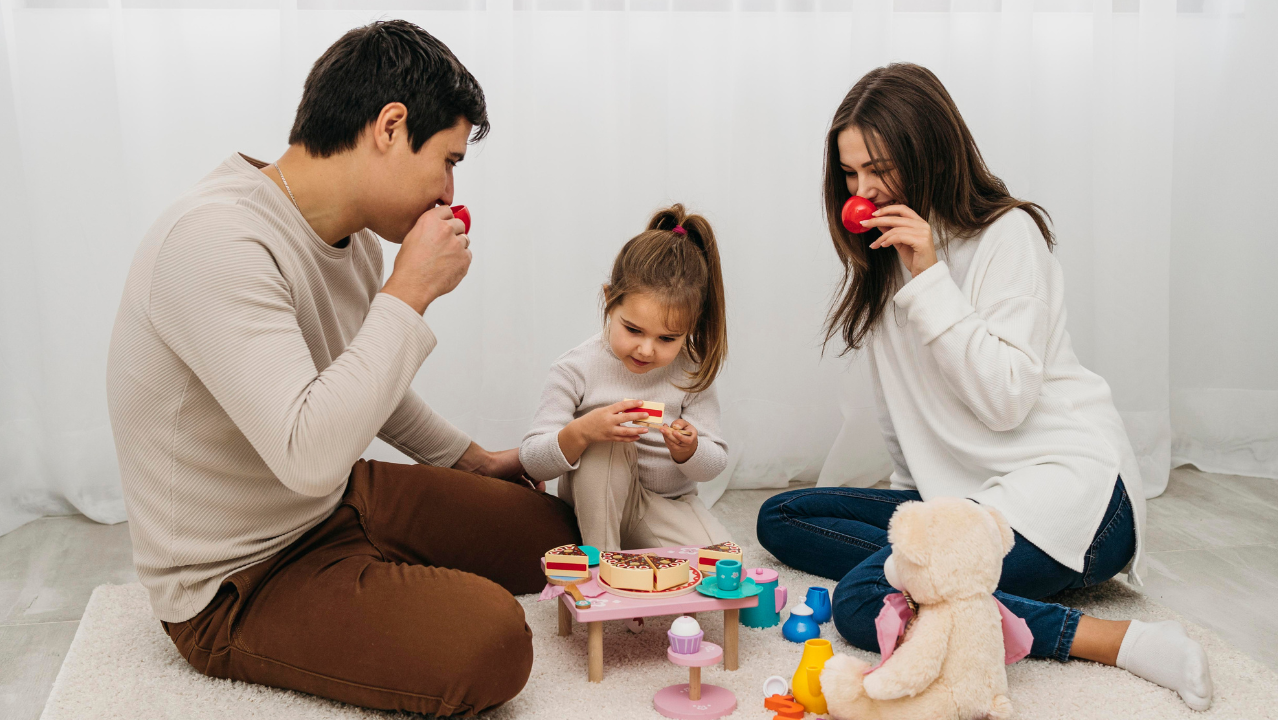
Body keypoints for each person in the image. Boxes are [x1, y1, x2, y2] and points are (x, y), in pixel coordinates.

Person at [105, 20, 579, 716]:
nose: (449, 193)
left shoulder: (351, 237)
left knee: (556, 537)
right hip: (239, 580)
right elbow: (306, 454)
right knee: (493, 642)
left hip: (333, 501)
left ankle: (376, 577)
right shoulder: (215, 242)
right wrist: (410, 292)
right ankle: (366, 593)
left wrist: (472, 462)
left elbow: (360, 381)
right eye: (447, 159)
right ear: (390, 126)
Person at [755, 63, 1213, 711]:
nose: (863, 190)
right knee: (784, 516)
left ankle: (1113, 639)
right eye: (851, 174)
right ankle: (949, 575)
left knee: (863, 601)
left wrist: (930, 275)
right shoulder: (884, 259)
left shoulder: (1007, 236)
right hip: (967, 496)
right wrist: (915, 521)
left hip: (1071, 493)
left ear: (929, 151)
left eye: (878, 169)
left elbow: (1005, 402)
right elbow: (904, 415)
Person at [520, 204, 732, 552]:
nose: (646, 350)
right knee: (607, 439)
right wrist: (583, 431)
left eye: (667, 339)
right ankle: (602, 559)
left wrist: (689, 448)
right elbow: (533, 461)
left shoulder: (692, 371)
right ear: (609, 302)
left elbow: (713, 465)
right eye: (633, 330)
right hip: (597, 509)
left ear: (689, 329)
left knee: (722, 565)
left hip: (666, 505)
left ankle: (630, 550)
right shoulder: (575, 368)